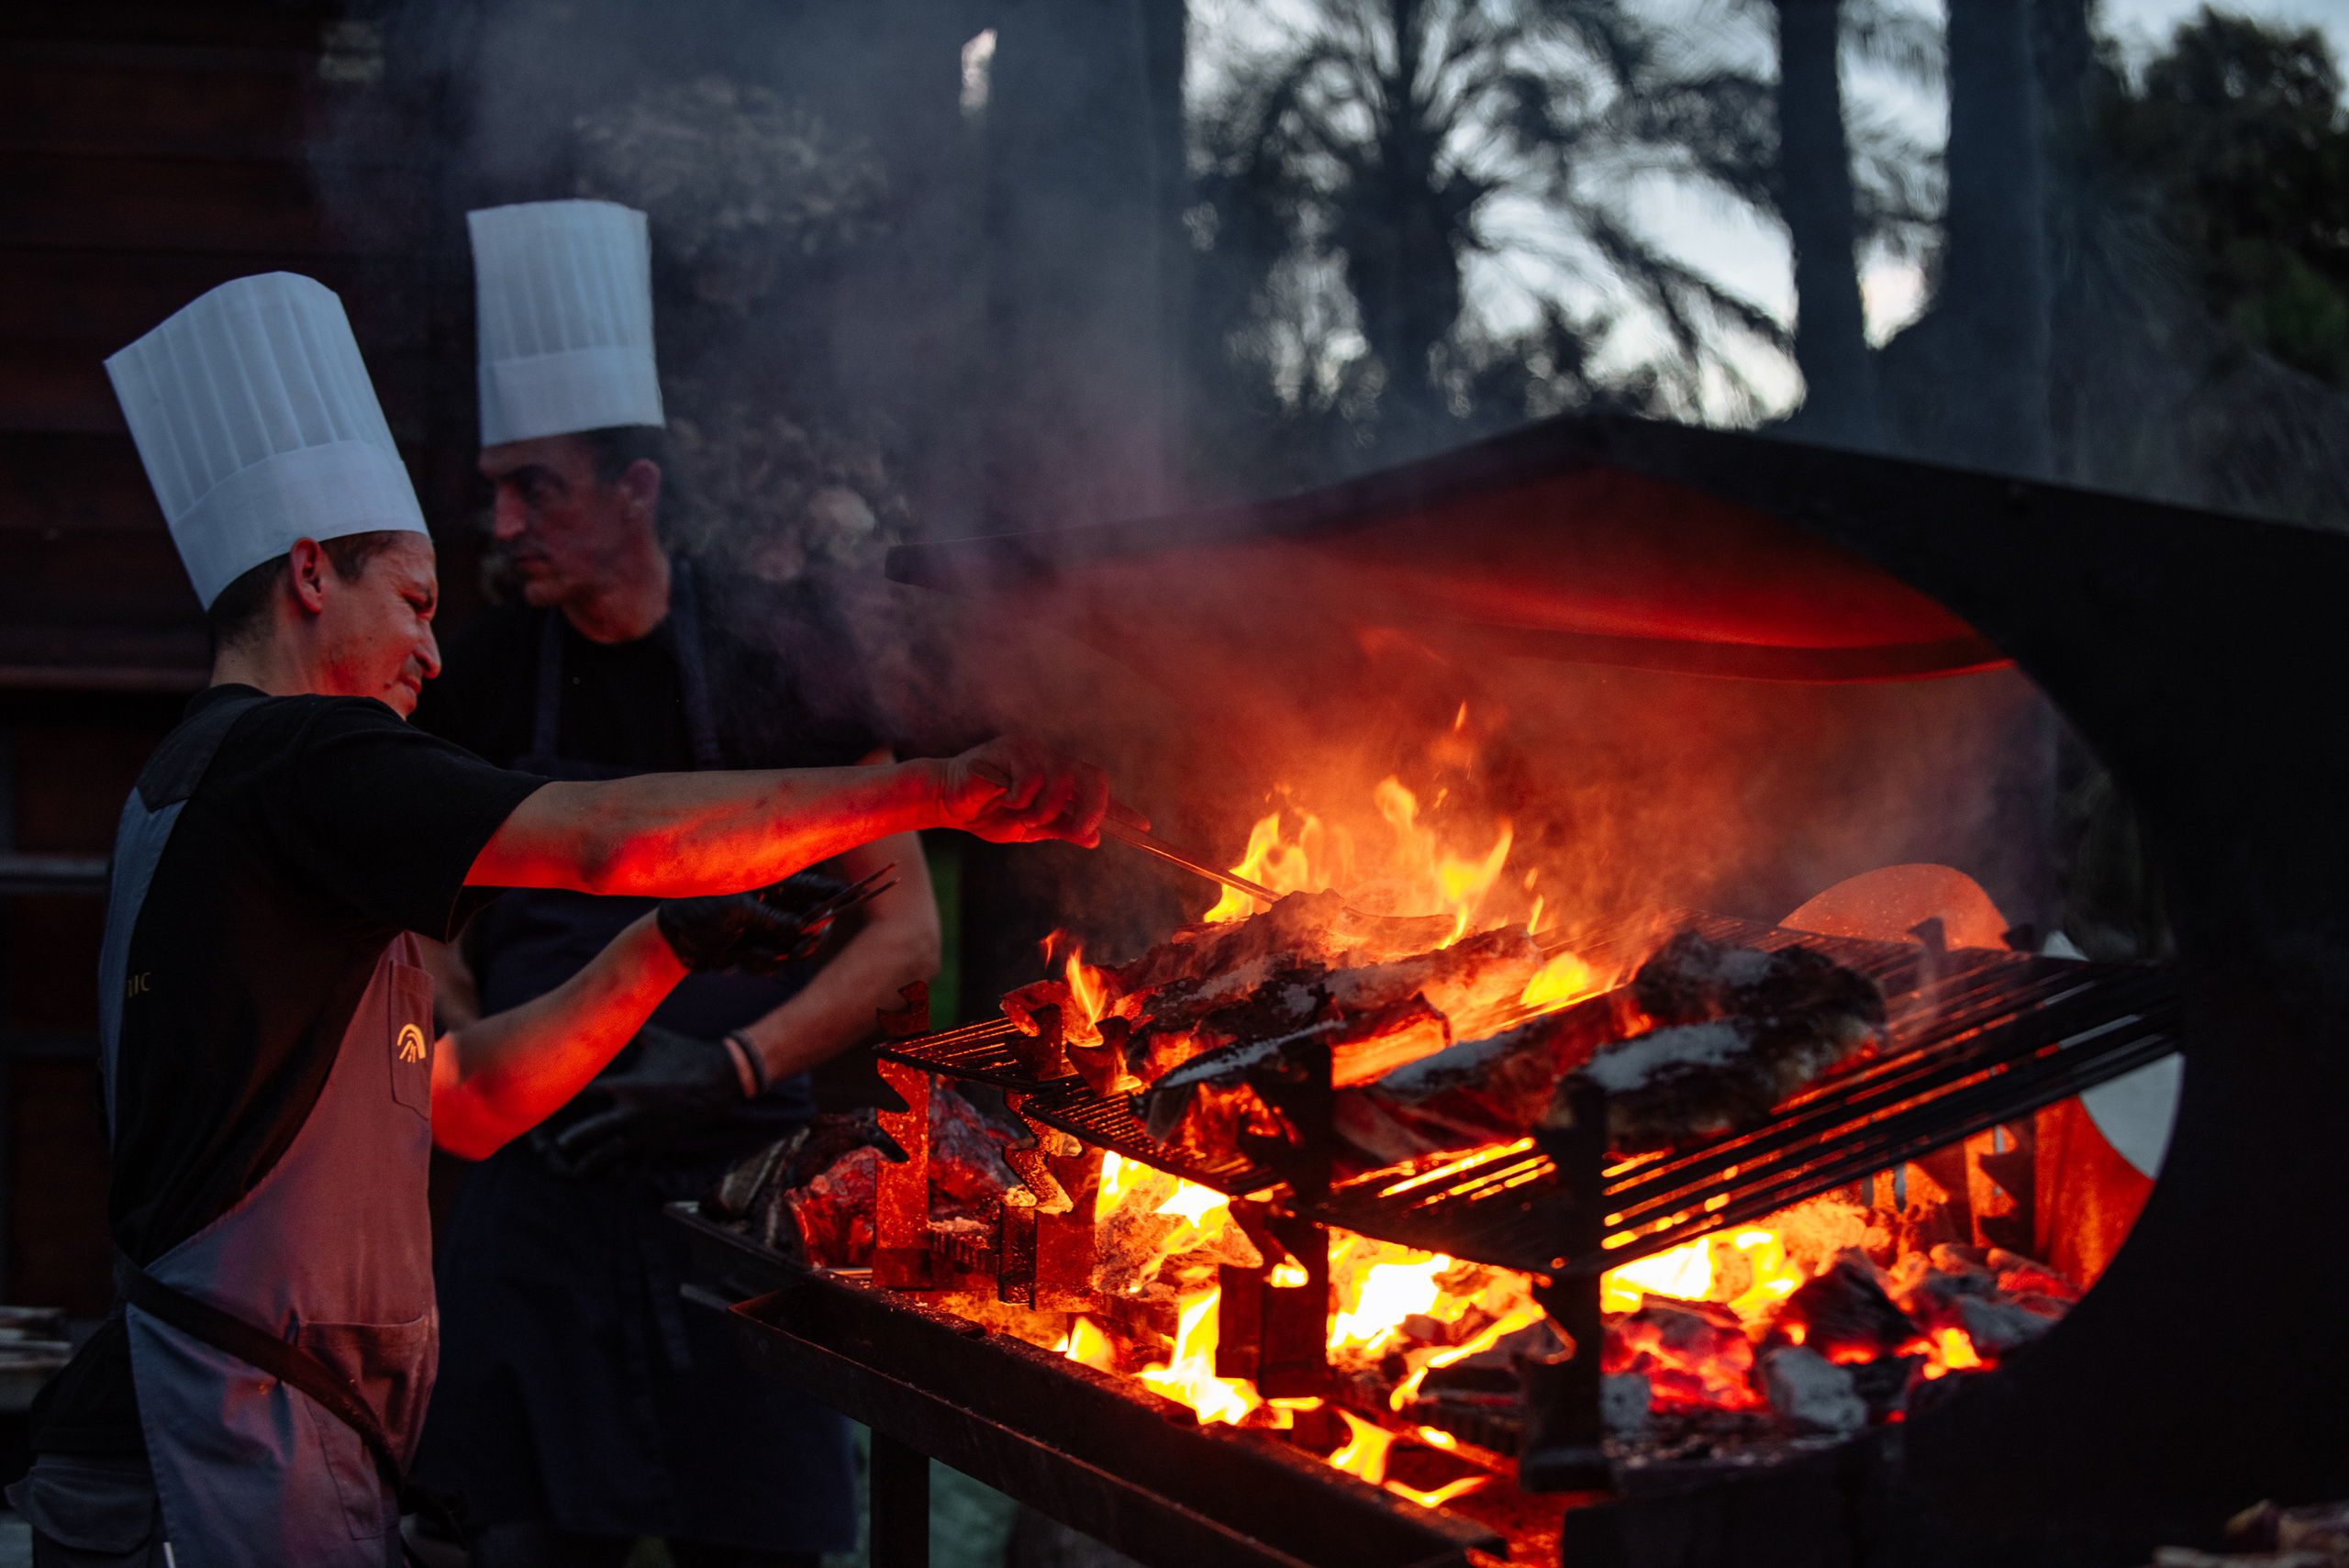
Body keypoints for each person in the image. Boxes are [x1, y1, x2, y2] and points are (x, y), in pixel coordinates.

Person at [7, 272, 1123, 1568]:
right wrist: (942, 788)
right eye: (414, 603)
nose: (434, 655)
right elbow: (607, 841)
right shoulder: (294, 758)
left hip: (270, 1425)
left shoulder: (214, 789)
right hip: (215, 1437)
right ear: (311, 574)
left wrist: (670, 949)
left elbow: (472, 1102)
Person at [402, 199, 929, 1566]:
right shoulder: (475, 677)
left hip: (748, 1198)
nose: (505, 523)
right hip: (541, 1200)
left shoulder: (780, 656)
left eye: (540, 489)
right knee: (515, 1541)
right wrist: (497, 1051)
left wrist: (731, 1068)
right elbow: (415, 928)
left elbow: (906, 935)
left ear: (636, 488)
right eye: (496, 490)